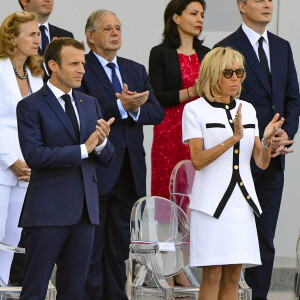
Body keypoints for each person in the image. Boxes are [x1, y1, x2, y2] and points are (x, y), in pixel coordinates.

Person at [182, 46, 284, 300]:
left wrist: (268, 141)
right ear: (213, 74)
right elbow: (197, 160)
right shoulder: (194, 110)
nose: (235, 78)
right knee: (213, 273)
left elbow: (260, 162)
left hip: (242, 203)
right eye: (228, 72)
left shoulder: (248, 109)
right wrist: (234, 138)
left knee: (233, 275)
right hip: (211, 206)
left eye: (239, 72)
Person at [16, 37, 115, 300]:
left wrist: (102, 144)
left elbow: (106, 155)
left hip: (85, 213)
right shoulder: (30, 105)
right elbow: (35, 155)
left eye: (82, 63)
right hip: (48, 212)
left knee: (74, 291)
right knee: (35, 289)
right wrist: (84, 149)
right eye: (74, 64)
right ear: (53, 66)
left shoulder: (89, 103)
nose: (82, 69)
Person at [214, 1, 300, 299]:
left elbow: (292, 97)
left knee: (265, 238)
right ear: (241, 5)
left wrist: (284, 134)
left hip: (274, 160)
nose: (267, 4)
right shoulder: (225, 48)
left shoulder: (282, 46)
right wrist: (258, 139)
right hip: (237, 162)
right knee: (232, 239)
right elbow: (220, 104)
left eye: (270, 0)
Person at [78, 9, 164, 300]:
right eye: (107, 29)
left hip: (129, 170)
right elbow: (84, 114)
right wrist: (121, 108)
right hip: (97, 170)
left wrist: (136, 108)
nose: (115, 33)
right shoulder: (82, 67)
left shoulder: (135, 69)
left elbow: (157, 111)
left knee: (118, 248)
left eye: (118, 28)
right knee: (91, 246)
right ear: (90, 36)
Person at [149, 0, 210, 202]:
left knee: (200, 192)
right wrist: (191, 91)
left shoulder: (206, 54)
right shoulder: (160, 53)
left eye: (201, 14)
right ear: (176, 17)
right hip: (170, 132)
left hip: (201, 129)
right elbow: (157, 95)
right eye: (193, 14)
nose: (199, 19)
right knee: (169, 192)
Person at [0, 11, 43, 285]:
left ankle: (2, 286)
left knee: (12, 239)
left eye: (38, 33)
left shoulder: (36, 74)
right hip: (3, 166)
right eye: (31, 34)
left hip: (28, 169)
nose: (38, 39)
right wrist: (9, 159)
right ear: (12, 39)